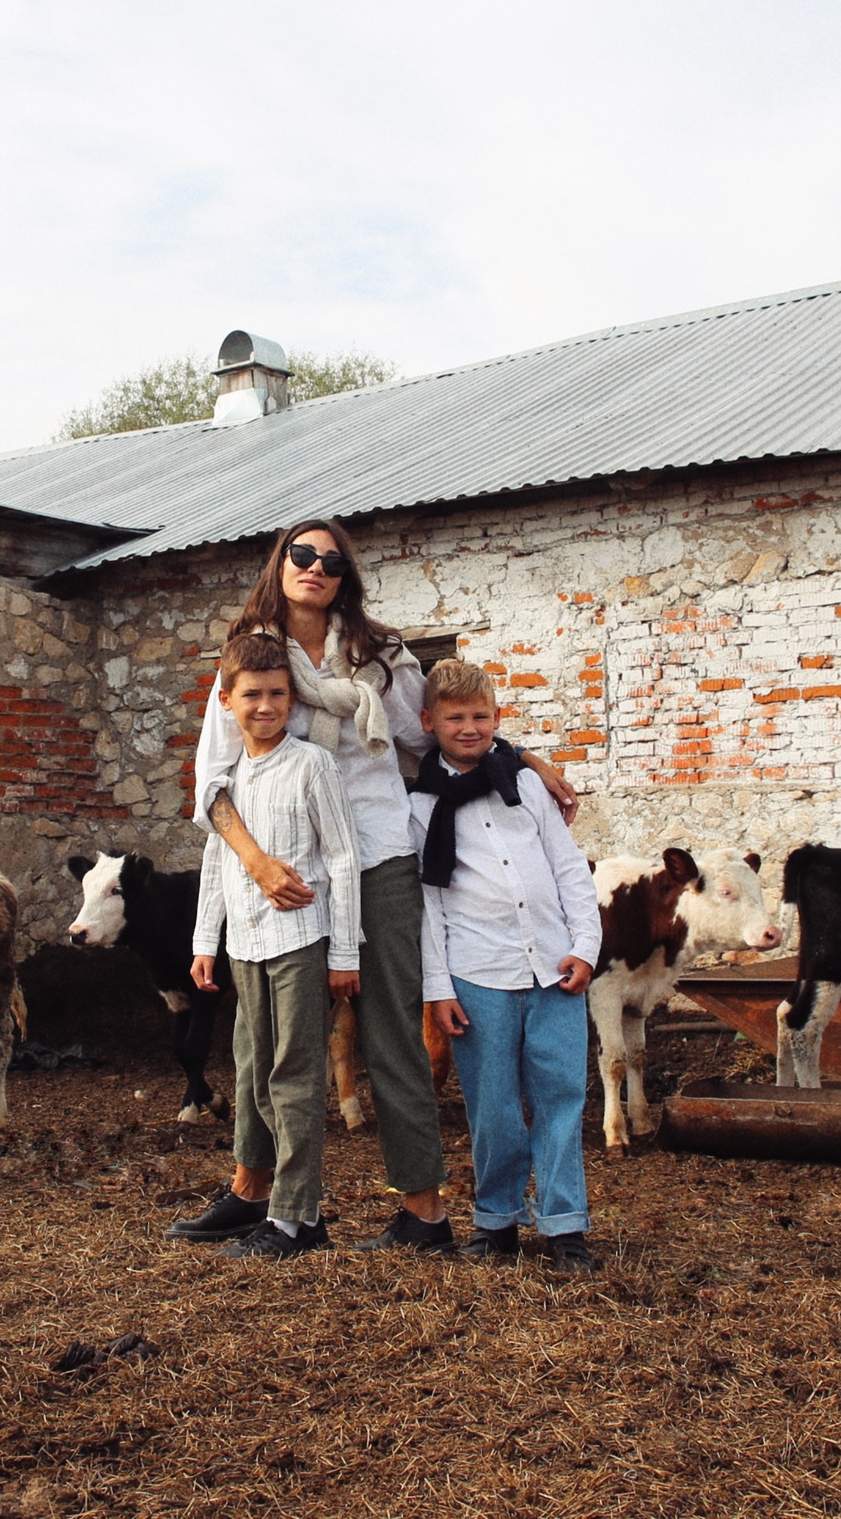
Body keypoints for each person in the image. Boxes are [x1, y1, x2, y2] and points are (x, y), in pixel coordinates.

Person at [191, 518, 579, 1254]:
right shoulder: (251, 661)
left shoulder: (383, 655)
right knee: (264, 1036)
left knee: (393, 1032)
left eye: (331, 560)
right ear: (280, 563)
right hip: (285, 876)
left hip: (379, 855)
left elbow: (436, 733)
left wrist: (525, 758)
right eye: (301, 555)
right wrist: (257, 861)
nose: (315, 568)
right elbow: (215, 780)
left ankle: (424, 1211)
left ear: (346, 576)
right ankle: (256, 1192)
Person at [167, 631, 363, 1258]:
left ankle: (295, 1217)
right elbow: (220, 862)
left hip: (302, 942)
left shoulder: (312, 765)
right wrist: (205, 941)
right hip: (245, 947)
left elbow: (343, 858)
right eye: (251, 694)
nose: (265, 706)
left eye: (277, 693)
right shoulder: (229, 784)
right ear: (226, 701)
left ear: (292, 700)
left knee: (295, 1075)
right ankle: (279, 1205)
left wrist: (344, 954)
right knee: (252, 1078)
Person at [408, 658, 604, 1272]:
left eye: (481, 716)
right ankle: (495, 1222)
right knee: (491, 1106)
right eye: (455, 718)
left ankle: (564, 1223)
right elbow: (427, 905)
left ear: (498, 719)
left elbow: (570, 869)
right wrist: (438, 988)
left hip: (554, 967)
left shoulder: (526, 786)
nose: (469, 728)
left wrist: (586, 947)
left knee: (562, 1095)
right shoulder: (418, 806)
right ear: (429, 722)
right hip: (477, 972)